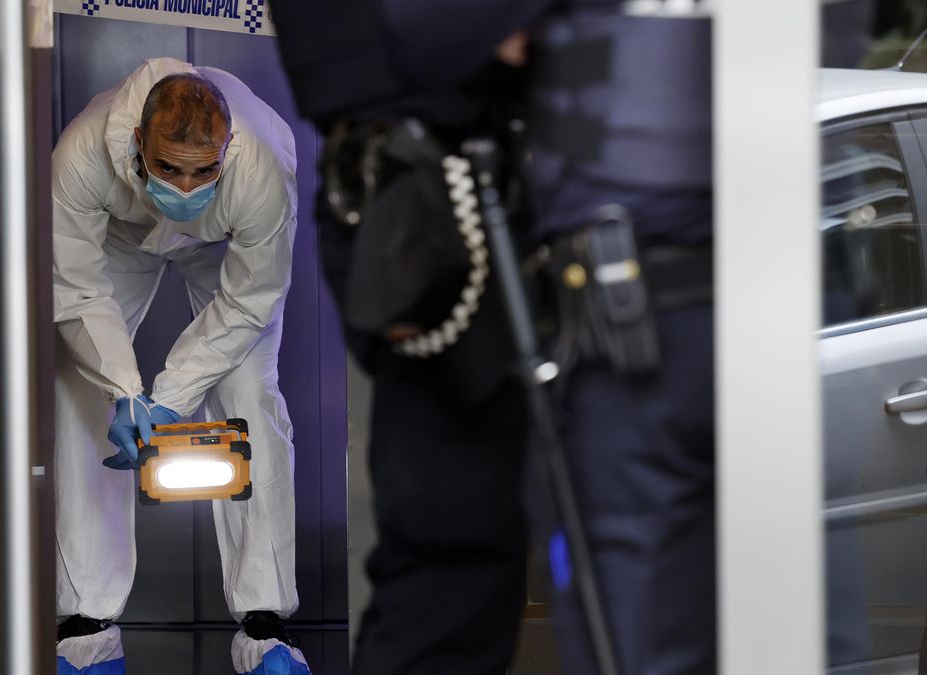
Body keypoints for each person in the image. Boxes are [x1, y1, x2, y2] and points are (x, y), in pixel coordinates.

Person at [271, 1, 716, 673]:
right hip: (432, 209)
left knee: (613, 540)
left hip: (541, 202)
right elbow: (350, 57)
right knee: (456, 547)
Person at [51, 57, 309, 675]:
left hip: (226, 245)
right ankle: (84, 629)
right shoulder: (81, 155)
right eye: (168, 168)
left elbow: (251, 300)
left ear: (229, 149)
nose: (187, 188)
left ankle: (265, 627)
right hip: (120, 236)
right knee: (81, 399)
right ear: (139, 143)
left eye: (204, 171)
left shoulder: (262, 167)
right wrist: (124, 390)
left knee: (251, 395)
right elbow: (76, 288)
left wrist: (169, 397)